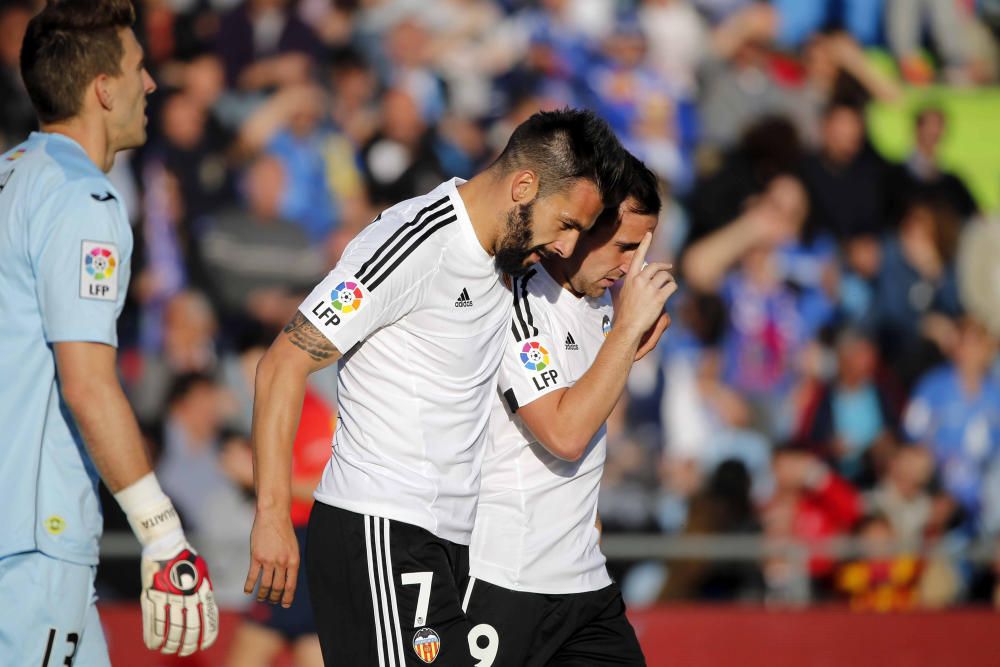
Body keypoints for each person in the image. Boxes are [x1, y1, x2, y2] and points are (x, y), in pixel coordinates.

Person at [245, 108, 628, 666]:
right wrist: (274, 515)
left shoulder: (511, 266)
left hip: (451, 539)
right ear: (523, 186)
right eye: (566, 223)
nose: (567, 246)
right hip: (379, 525)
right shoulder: (414, 243)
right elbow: (282, 364)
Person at [0, 0, 219, 663]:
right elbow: (89, 385)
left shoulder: (11, 176)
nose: (151, 83)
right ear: (103, 89)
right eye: (138, 67)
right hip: (36, 534)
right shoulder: (83, 202)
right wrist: (162, 533)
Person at [462, 155, 674, 666]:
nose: (629, 268)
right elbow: (564, 433)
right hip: (506, 578)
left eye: (642, 250)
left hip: (584, 580)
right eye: (624, 246)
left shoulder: (600, 305)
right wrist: (624, 338)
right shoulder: (515, 300)